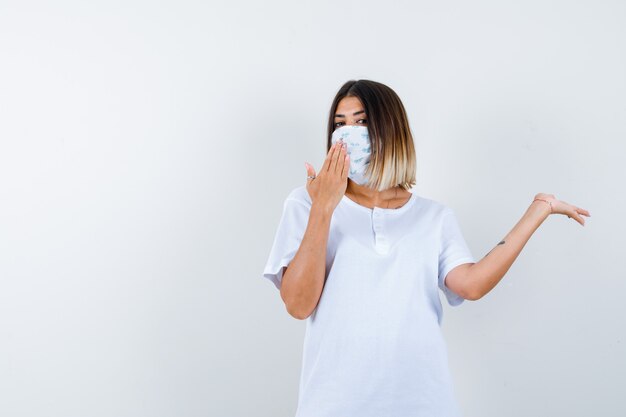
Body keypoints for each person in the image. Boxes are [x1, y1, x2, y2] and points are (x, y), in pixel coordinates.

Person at [261, 79, 590, 417]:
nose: (347, 134)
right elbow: (299, 305)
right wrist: (324, 207)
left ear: (390, 130)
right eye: (339, 124)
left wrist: (538, 210)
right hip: (333, 405)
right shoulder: (306, 203)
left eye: (361, 121)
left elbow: (472, 284)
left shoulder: (433, 217)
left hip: (422, 403)